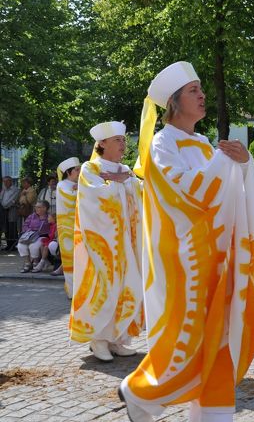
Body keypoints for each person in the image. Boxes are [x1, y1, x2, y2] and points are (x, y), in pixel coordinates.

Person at [118, 61, 254, 422]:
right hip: (183, 265)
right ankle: (141, 392)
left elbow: (226, 190)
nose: (202, 95)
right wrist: (226, 163)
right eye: (193, 90)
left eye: (201, 88)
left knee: (219, 336)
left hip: (216, 258)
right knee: (185, 339)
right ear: (173, 102)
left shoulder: (202, 143)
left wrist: (243, 163)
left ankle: (213, 414)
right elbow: (186, 194)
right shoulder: (161, 144)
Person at [70, 121, 144, 363]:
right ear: (102, 143)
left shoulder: (125, 169)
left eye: (123, 140)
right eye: (117, 140)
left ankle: (117, 338)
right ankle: (98, 340)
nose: (123, 144)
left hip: (126, 242)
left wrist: (125, 180)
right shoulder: (90, 168)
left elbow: (138, 191)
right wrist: (119, 182)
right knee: (103, 288)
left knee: (127, 286)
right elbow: (94, 198)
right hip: (101, 244)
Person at [55, 157, 80, 294]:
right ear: (68, 172)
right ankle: (72, 291)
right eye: (76, 170)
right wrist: (81, 188)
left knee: (79, 258)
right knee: (70, 259)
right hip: (66, 228)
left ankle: (80, 289)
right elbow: (70, 200)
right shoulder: (62, 185)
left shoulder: (77, 184)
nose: (79, 172)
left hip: (77, 226)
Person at [17, 200, 50, 273]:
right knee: (21, 245)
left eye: (38, 207)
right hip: (30, 234)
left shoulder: (48, 217)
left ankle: (35, 262)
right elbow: (25, 225)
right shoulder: (32, 216)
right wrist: (29, 231)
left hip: (42, 235)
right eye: (36, 207)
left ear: (44, 208)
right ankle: (28, 263)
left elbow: (50, 228)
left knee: (33, 246)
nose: (36, 209)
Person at [0, 176, 20, 250]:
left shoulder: (16, 190)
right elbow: (1, 198)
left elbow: (13, 200)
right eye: (4, 181)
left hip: (12, 210)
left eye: (7, 181)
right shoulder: (4, 189)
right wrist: (3, 205)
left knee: (12, 228)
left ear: (11, 181)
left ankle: (13, 245)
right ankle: (8, 245)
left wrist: (5, 205)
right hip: (4, 211)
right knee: (6, 228)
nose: (5, 183)